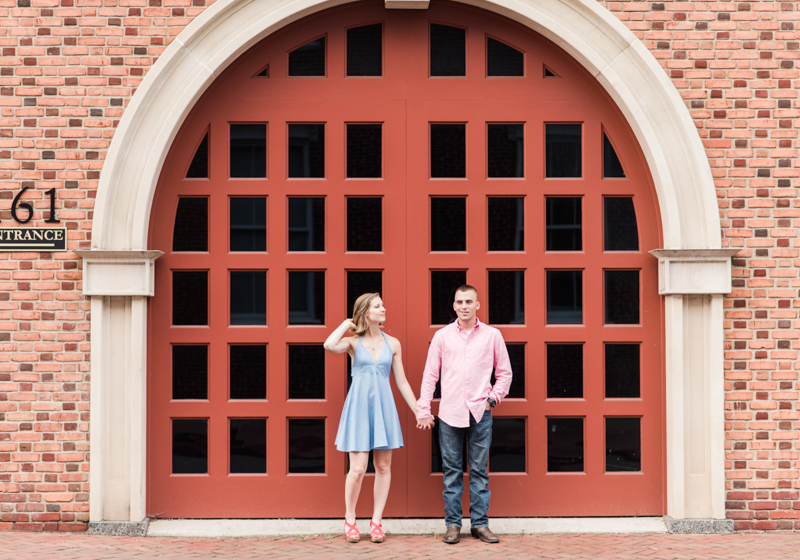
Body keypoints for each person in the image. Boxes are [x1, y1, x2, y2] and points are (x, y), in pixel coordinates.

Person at [416, 285, 512, 544]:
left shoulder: (493, 335)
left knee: (480, 471)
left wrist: (493, 399)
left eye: (469, 301)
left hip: (481, 412)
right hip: (449, 413)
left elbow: (504, 373)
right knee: (451, 472)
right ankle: (453, 525)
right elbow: (430, 376)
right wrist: (423, 408)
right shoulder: (442, 337)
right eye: (460, 301)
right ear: (454, 305)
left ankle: (480, 525)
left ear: (478, 305)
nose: (464, 306)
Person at [324, 293, 421, 544]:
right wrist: (347, 323)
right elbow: (328, 344)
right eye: (378, 306)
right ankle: (350, 519)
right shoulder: (352, 343)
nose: (383, 309)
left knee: (383, 467)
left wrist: (418, 410)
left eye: (383, 305)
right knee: (356, 469)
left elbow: (401, 382)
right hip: (358, 408)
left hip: (384, 408)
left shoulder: (394, 343)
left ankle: (376, 522)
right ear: (366, 312)